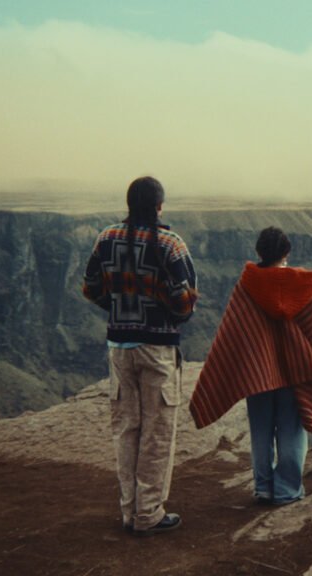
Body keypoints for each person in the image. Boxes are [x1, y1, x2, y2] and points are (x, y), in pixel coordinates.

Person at [189, 226, 312, 506]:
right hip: (297, 372)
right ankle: (287, 490)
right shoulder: (303, 286)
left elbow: (232, 332)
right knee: (292, 430)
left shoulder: (247, 286)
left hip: (258, 376)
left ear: (259, 252)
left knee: (261, 431)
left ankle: (264, 487)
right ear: (286, 253)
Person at [82, 176, 198, 535]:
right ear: (159, 206)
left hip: (120, 347)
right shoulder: (170, 244)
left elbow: (91, 288)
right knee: (157, 431)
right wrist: (166, 315)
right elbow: (185, 301)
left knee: (126, 429)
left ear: (129, 204)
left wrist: (120, 308)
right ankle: (149, 513)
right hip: (157, 348)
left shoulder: (106, 238)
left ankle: (129, 511)